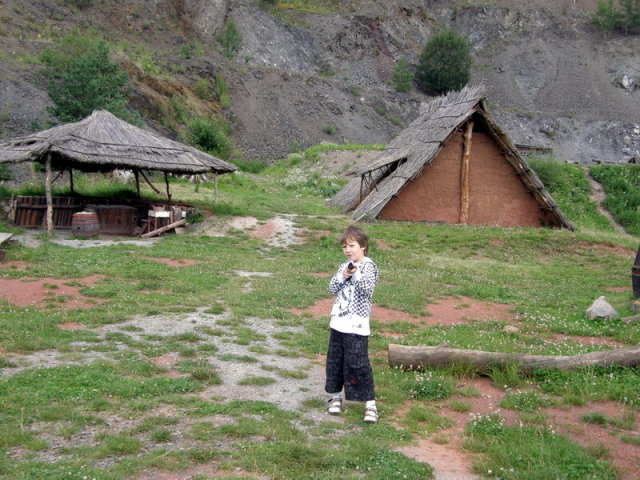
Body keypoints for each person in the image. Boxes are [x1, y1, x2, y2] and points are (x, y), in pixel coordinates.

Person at [325, 225, 379, 423]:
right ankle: (336, 397)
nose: (348, 250)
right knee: (335, 362)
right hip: (338, 322)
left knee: (358, 363)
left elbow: (367, 290)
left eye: (352, 246)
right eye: (344, 247)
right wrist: (343, 275)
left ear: (363, 246)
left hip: (356, 325)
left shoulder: (369, 266)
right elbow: (332, 287)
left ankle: (370, 404)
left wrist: (355, 274)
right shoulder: (344, 265)